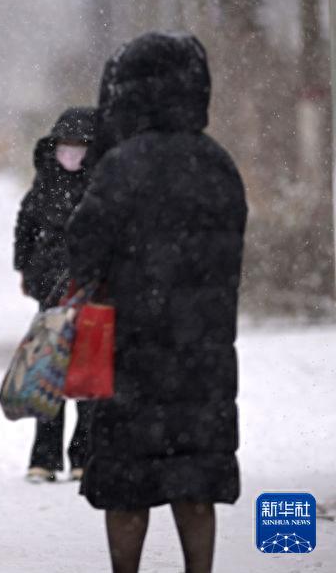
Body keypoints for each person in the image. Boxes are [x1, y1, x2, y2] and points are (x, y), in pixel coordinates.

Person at [66, 32, 246, 573]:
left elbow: (83, 249)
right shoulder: (218, 164)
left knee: (127, 485)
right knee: (196, 480)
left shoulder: (121, 166)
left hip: (131, 351)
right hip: (205, 354)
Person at [14, 106, 97, 483]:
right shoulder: (44, 183)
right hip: (51, 292)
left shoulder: (104, 186)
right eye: (66, 144)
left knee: (89, 376)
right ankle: (44, 458)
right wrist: (27, 271)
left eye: (80, 145)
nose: (71, 152)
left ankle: (86, 455)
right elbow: (26, 226)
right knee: (49, 372)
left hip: (93, 293)